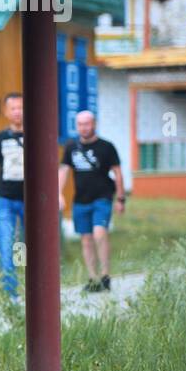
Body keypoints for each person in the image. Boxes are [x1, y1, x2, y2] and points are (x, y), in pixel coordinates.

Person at [59, 110, 125, 293]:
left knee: (99, 233)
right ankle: (93, 277)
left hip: (102, 197)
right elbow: (63, 171)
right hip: (80, 200)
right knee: (86, 240)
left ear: (94, 124)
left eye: (87, 123)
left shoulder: (106, 147)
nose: (83, 127)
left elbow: (117, 173)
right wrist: (59, 193)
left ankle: (105, 275)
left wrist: (120, 198)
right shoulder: (71, 146)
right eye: (80, 124)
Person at [0, 93, 26, 300]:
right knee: (6, 243)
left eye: (21, 107)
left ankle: (26, 284)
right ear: (6, 112)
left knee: (23, 245)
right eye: (14, 108)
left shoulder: (36, 136)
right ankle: (11, 293)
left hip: (30, 201)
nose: (18, 112)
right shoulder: (0, 138)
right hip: (5, 200)